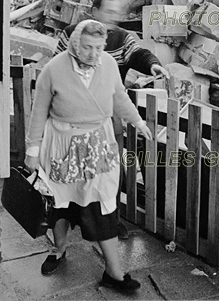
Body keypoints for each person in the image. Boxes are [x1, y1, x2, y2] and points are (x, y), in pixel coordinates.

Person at [25, 20, 152, 291]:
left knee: (103, 204)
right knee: (60, 203)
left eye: (98, 47)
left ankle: (114, 273)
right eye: (87, 47)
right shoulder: (53, 69)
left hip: (99, 143)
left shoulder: (106, 65)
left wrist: (138, 122)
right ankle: (58, 250)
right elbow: (38, 112)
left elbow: (119, 96)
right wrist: (32, 151)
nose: (94, 54)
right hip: (62, 143)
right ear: (74, 44)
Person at [55, 0, 169, 239]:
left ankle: (111, 223)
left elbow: (138, 54)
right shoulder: (70, 35)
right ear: (94, 11)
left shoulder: (121, 38)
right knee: (72, 175)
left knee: (111, 176)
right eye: (108, 12)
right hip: (73, 122)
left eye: (117, 13)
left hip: (108, 121)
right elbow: (57, 71)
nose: (113, 18)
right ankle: (69, 229)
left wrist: (153, 64)